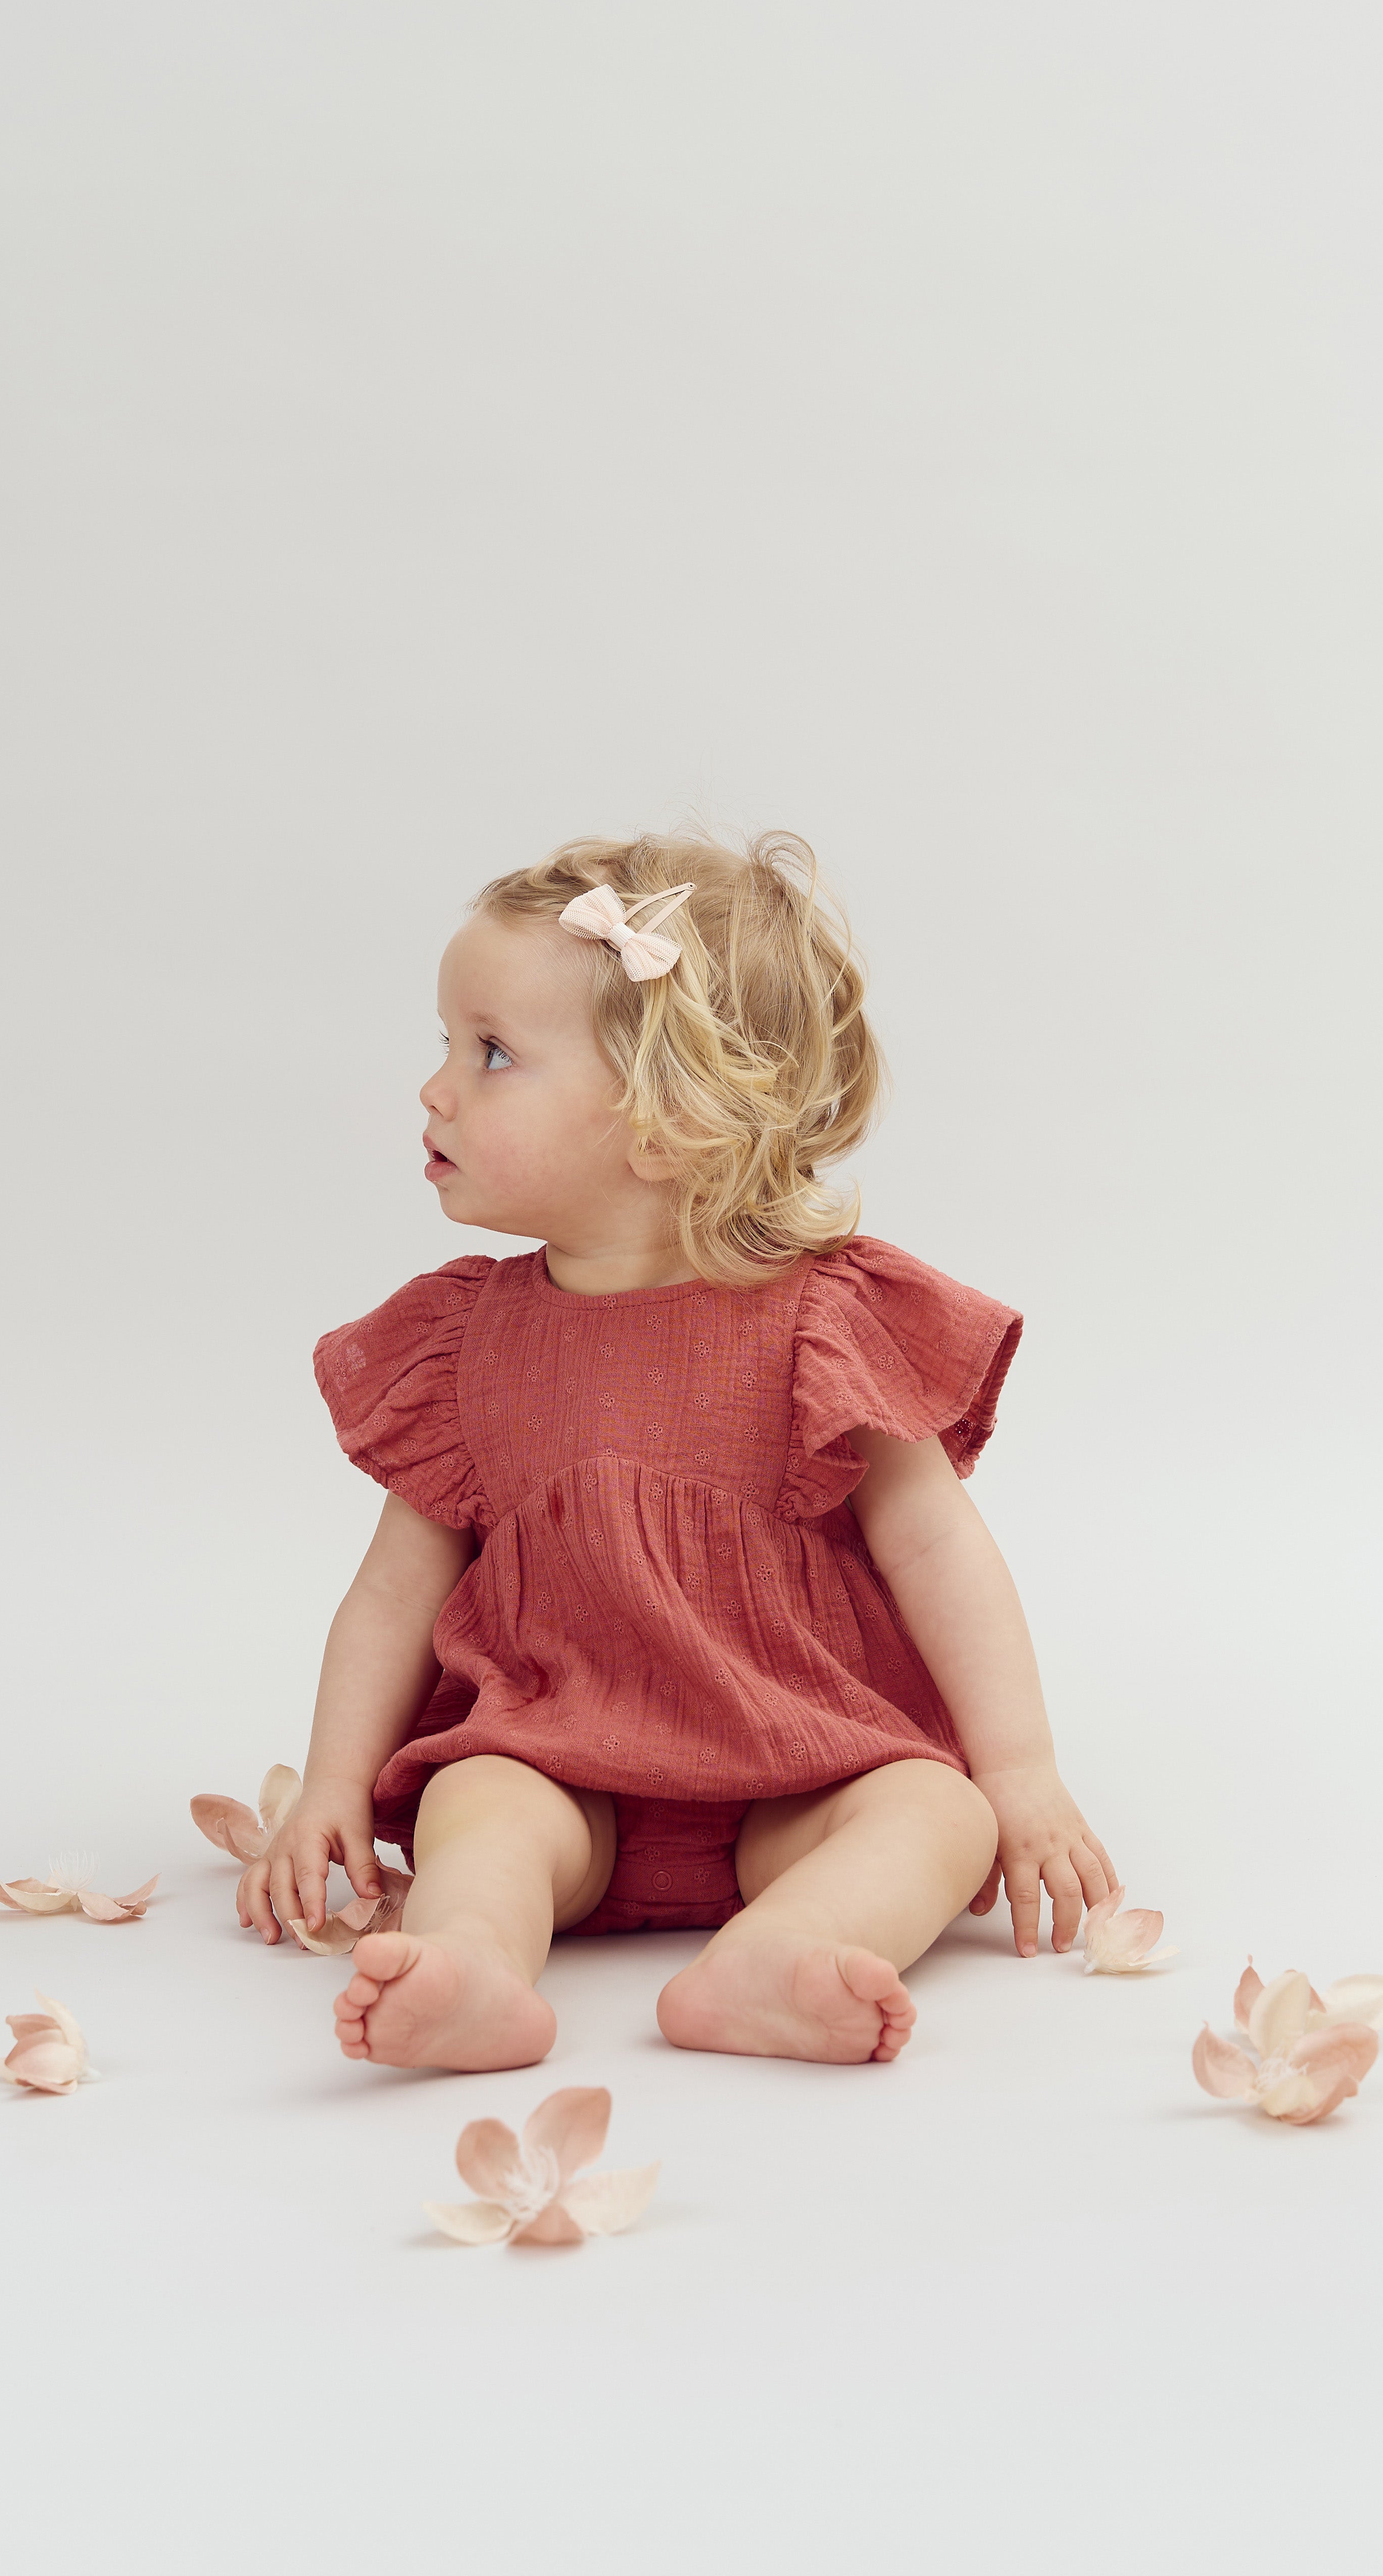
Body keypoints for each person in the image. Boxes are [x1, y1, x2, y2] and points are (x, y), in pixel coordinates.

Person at [240, 831, 1118, 2071]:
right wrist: (335, 1781)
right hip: (560, 1772)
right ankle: (474, 1967)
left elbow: (933, 1544)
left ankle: (778, 1954)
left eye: (489, 1054)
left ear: (667, 1123)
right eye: (444, 1046)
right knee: (472, 1806)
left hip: (796, 1775)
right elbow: (393, 1590)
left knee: (933, 1813)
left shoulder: (822, 1322)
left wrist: (1019, 1774)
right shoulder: (465, 1344)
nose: (434, 1089)